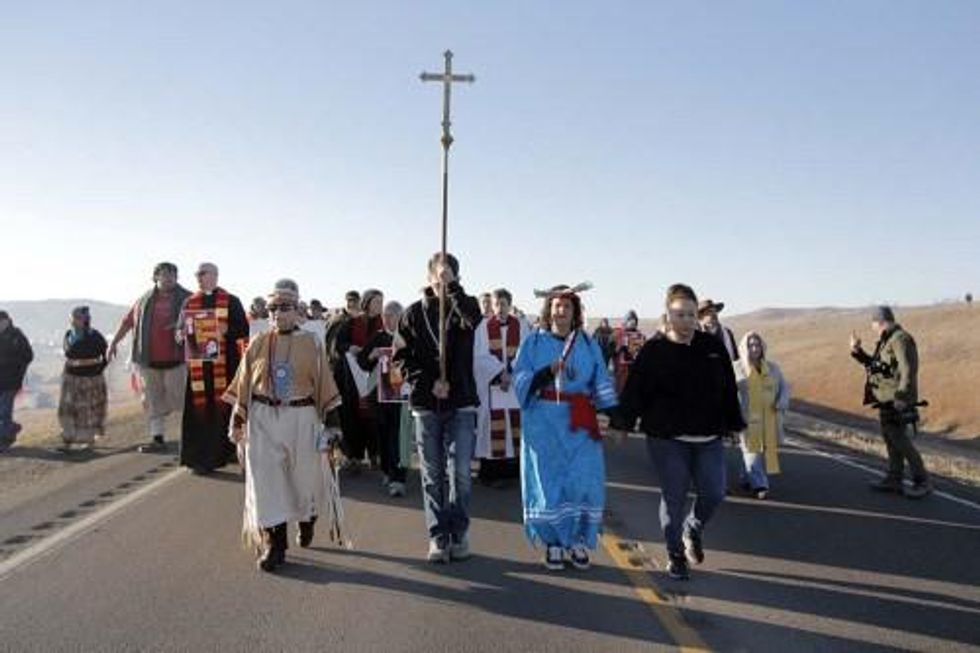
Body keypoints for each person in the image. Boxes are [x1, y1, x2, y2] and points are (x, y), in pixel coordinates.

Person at [614, 284, 745, 580]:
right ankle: (675, 553)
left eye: (690, 314)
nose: (686, 321)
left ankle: (693, 528)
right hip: (667, 438)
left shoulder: (711, 348)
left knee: (713, 491)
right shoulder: (654, 350)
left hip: (708, 436)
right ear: (668, 315)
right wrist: (622, 423)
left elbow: (726, 388)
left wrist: (734, 423)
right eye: (679, 314)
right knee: (674, 498)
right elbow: (636, 390)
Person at [223, 279, 343, 572]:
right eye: (273, 308)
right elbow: (243, 382)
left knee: (302, 481)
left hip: (301, 417)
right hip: (263, 418)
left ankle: (307, 517)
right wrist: (239, 418)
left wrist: (333, 425)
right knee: (267, 482)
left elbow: (325, 384)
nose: (277, 313)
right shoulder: (259, 343)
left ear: (297, 309)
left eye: (284, 307)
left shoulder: (311, 343)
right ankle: (275, 545)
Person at [513, 284, 617, 571]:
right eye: (556, 306)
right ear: (549, 310)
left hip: (580, 418)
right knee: (548, 481)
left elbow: (601, 378)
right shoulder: (533, 342)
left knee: (583, 480)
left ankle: (578, 540)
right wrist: (547, 372)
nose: (561, 311)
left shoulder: (586, 343)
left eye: (567, 306)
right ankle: (554, 542)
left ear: (575, 312)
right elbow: (519, 378)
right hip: (543, 420)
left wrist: (610, 414)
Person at [396, 252, 483, 563]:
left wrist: (454, 292)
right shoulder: (412, 315)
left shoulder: (465, 307)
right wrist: (428, 382)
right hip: (426, 404)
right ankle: (438, 535)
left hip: (461, 403)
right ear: (428, 277)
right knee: (433, 475)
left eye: (448, 276)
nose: (441, 281)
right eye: (437, 276)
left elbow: (473, 320)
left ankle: (458, 531)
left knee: (460, 472)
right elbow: (401, 359)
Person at [107, 262, 192, 453]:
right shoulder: (143, 301)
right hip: (148, 360)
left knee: (180, 399)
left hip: (177, 360)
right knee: (152, 400)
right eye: (164, 274)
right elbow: (127, 322)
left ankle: (190, 438)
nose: (168, 278)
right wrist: (113, 344)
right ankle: (157, 438)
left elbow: (202, 320)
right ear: (155, 277)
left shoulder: (189, 299)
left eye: (172, 275)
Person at [850, 306, 931, 498]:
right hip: (886, 399)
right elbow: (877, 366)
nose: (874, 330)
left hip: (897, 399)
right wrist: (857, 351)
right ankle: (894, 478)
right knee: (891, 439)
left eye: (874, 325)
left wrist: (902, 396)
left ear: (881, 321)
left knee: (900, 441)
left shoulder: (901, 339)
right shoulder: (887, 340)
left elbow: (908, 370)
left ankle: (923, 481)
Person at [177, 263, 249, 474]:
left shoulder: (230, 301)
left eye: (203, 273)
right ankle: (199, 458)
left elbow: (243, 329)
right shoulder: (189, 302)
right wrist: (180, 336)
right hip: (199, 367)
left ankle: (226, 452)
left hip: (224, 366)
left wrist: (227, 329)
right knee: (199, 411)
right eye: (197, 274)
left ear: (215, 275)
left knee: (224, 408)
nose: (198, 277)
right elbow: (180, 329)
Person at [475, 288, 530, 487]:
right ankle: (490, 474)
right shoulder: (483, 327)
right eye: (496, 304)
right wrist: (500, 372)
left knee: (513, 428)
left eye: (503, 304)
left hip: (513, 388)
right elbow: (480, 356)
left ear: (510, 305)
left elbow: (525, 352)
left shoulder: (521, 325)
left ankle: (512, 473)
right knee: (492, 430)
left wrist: (511, 372)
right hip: (492, 388)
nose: (499, 308)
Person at [356, 301, 408, 497]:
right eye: (385, 315)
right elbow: (362, 361)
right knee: (383, 434)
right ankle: (387, 469)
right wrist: (371, 355)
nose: (386, 319)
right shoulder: (377, 337)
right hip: (379, 394)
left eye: (391, 315)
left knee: (398, 436)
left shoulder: (408, 336)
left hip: (401, 395)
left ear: (400, 317)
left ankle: (398, 479)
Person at [733, 332, 790, 499]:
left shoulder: (773, 367)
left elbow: (784, 388)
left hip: (770, 418)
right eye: (750, 345)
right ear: (744, 347)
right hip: (747, 419)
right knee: (752, 452)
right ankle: (760, 485)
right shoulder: (736, 368)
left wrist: (781, 403)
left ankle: (745, 478)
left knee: (760, 452)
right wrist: (732, 418)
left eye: (757, 345)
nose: (754, 348)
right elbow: (728, 393)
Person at [335, 289, 385, 470]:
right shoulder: (352, 323)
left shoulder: (385, 322)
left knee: (375, 416)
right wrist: (351, 347)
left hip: (377, 375)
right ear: (367, 302)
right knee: (353, 415)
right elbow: (338, 345)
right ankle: (354, 455)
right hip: (353, 377)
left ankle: (375, 453)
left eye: (381, 301)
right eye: (376, 301)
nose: (379, 305)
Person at [58, 306, 109, 451]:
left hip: (90, 377)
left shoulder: (95, 336)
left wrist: (98, 369)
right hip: (71, 377)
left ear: (86, 320)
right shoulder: (68, 335)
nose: (74, 321)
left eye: (78, 318)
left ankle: (88, 439)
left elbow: (106, 354)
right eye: (73, 318)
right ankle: (68, 437)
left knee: (88, 409)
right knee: (67, 408)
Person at [0, 310, 34, 451]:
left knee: (4, 411)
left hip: (11, 381)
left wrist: (16, 367)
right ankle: (12, 428)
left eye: (1, 321)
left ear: (7, 320)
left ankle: (3, 442)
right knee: (3, 411)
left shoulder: (17, 336)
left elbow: (28, 355)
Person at [611, 310, 646, 393]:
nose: (632, 323)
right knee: (622, 388)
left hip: (635, 367)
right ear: (626, 321)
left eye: (634, 321)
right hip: (622, 369)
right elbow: (611, 350)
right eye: (630, 320)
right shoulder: (617, 333)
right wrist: (620, 345)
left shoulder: (640, 335)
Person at [324, 290, 361, 369]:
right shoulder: (338, 320)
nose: (352, 304)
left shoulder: (358, 319)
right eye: (349, 301)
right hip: (339, 365)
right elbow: (333, 344)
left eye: (355, 301)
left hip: (353, 365)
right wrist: (349, 347)